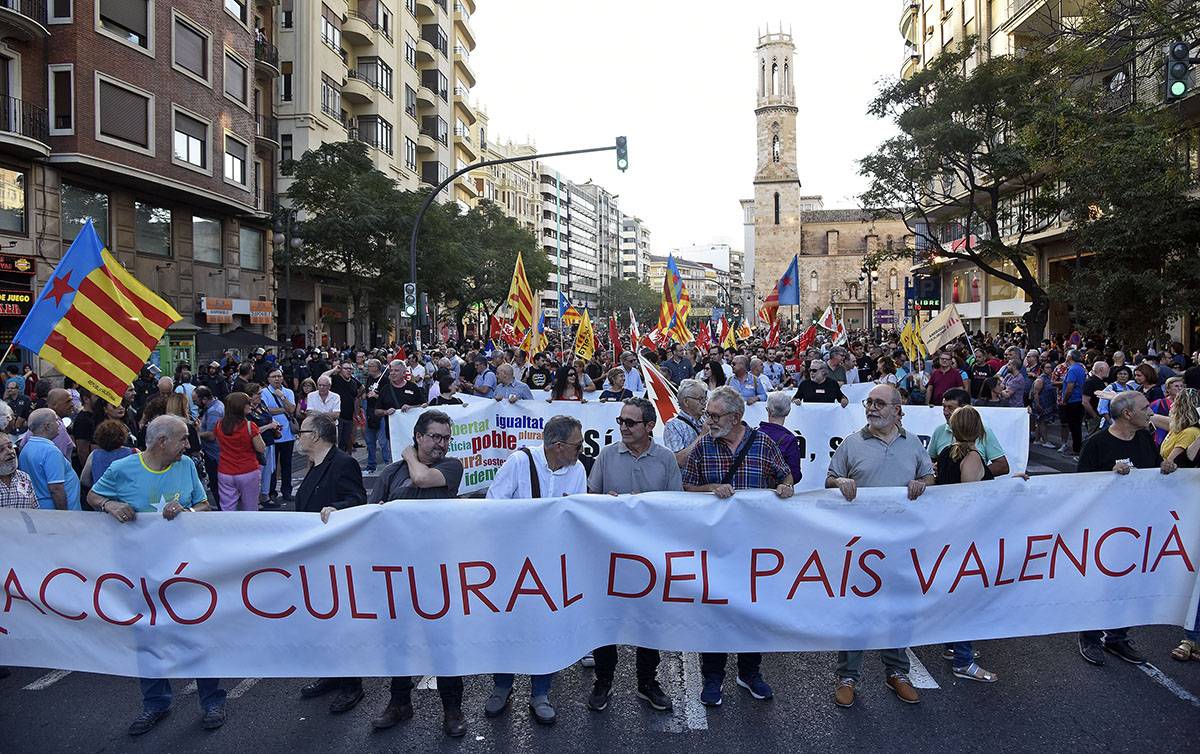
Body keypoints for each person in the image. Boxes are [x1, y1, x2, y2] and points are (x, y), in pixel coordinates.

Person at [86, 415, 223, 735]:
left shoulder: (186, 466)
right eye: (183, 439)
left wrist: (187, 511)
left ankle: (212, 701)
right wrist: (109, 506)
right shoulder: (122, 469)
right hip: (140, 572)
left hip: (184, 571)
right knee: (148, 639)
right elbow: (93, 495)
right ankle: (156, 703)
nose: (188, 445)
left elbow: (203, 504)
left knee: (195, 636)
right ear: (162, 441)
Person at [682, 386, 793, 707]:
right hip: (714, 546)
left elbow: (785, 476)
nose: (709, 420)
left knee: (751, 611)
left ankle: (749, 672)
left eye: (715, 416)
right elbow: (686, 487)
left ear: (736, 417)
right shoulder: (703, 446)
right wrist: (711, 489)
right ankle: (712, 677)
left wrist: (785, 488)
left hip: (754, 547)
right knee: (715, 612)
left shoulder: (763, 443)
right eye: (708, 414)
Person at [826, 384, 933, 708]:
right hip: (861, 547)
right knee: (857, 610)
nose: (872, 408)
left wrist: (922, 483)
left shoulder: (912, 443)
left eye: (879, 403)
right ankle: (848, 676)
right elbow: (830, 479)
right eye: (869, 402)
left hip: (901, 544)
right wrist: (839, 481)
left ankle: (897, 672)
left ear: (897, 410)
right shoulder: (851, 443)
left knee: (898, 609)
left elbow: (929, 477)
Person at [484, 415, 587, 726]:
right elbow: (493, 505)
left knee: (546, 629)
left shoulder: (577, 470)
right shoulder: (518, 462)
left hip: (552, 564)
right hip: (513, 563)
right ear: (558, 446)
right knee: (507, 625)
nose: (582, 450)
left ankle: (541, 693)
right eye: (578, 445)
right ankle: (502, 687)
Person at [583, 398, 682, 714]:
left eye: (630, 422)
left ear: (650, 426)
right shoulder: (607, 455)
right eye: (620, 421)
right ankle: (603, 681)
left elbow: (677, 506)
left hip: (650, 557)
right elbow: (590, 498)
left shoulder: (665, 460)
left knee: (649, 622)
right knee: (606, 621)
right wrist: (607, 503)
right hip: (610, 556)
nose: (623, 427)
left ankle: (647, 682)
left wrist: (648, 504)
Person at [1075, 390, 1175, 666]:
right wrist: (1108, 476)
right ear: (1128, 414)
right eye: (1146, 408)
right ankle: (1090, 636)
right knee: (1102, 584)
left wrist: (1165, 467)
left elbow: (1153, 467)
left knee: (1131, 583)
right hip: (1106, 530)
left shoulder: (1144, 438)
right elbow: (1078, 486)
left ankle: (1117, 637)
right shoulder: (1097, 444)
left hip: (1140, 527)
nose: (1151, 413)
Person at [291, 413, 370, 717]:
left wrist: (337, 508)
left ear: (316, 436)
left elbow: (357, 499)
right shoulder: (315, 464)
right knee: (322, 620)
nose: (299, 436)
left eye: (302, 431)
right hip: (315, 556)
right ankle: (332, 673)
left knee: (340, 621)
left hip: (337, 557)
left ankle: (352, 685)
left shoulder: (342, 463)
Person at [932, 405, 1001, 683]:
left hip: (949, 532)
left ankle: (953, 646)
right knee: (967, 597)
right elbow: (968, 501)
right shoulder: (971, 457)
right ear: (979, 430)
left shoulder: (947, 453)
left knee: (955, 593)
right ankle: (963, 659)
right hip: (966, 536)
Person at [927, 389, 1010, 477]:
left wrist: (978, 473)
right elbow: (928, 461)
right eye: (943, 407)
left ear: (965, 409)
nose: (945, 412)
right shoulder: (939, 431)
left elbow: (1002, 466)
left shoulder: (984, 432)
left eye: (951, 408)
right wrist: (934, 468)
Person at [19, 408, 81, 510]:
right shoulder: (51, 451)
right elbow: (56, 489)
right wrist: (64, 514)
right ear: (47, 426)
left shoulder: (26, 448)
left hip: (39, 508)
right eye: (56, 420)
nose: (59, 424)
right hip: (55, 511)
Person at [214, 392, 265, 512]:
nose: (250, 405)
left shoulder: (219, 425)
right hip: (248, 470)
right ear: (240, 407)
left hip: (225, 471)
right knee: (250, 507)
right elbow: (261, 448)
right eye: (247, 403)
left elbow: (219, 444)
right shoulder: (250, 426)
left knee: (227, 508)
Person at [261, 369, 297, 499]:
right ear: (268, 379)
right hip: (273, 434)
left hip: (288, 434)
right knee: (272, 465)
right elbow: (266, 410)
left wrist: (282, 397)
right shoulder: (264, 392)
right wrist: (283, 409)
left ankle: (287, 491)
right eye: (274, 376)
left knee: (287, 464)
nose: (277, 379)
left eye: (279, 376)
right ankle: (271, 491)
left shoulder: (288, 392)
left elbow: (292, 409)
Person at [758, 390, 803, 483]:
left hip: (751, 488)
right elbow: (795, 475)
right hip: (778, 489)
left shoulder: (754, 434)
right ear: (788, 412)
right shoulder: (790, 440)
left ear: (768, 410)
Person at [80, 419, 138, 489]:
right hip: (129, 493)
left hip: (101, 493)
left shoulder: (94, 455)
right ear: (122, 435)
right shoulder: (134, 452)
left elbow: (84, 480)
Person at [663, 378, 707, 468]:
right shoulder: (673, 425)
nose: (704, 403)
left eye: (705, 399)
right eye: (700, 399)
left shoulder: (706, 420)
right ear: (686, 402)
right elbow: (679, 461)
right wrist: (702, 436)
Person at [1159, 388, 1200, 472]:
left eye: (1174, 402)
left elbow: (1169, 464)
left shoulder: (1190, 432)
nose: (1171, 405)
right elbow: (1153, 418)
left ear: (1181, 408)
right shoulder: (1177, 428)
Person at [325, 362, 362, 453]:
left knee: (345, 442)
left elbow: (361, 389)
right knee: (336, 442)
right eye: (346, 368)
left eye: (350, 369)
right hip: (337, 417)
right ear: (340, 369)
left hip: (349, 417)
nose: (348, 370)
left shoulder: (353, 382)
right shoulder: (335, 379)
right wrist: (334, 369)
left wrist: (356, 412)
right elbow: (323, 377)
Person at [361, 359, 389, 472]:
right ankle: (371, 464)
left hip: (381, 412)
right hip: (370, 411)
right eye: (368, 366)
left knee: (383, 441)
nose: (369, 368)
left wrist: (376, 396)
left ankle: (388, 463)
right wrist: (365, 395)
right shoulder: (369, 379)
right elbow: (366, 391)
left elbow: (387, 397)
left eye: (371, 366)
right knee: (369, 440)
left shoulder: (385, 380)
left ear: (377, 367)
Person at [1060, 350, 1087, 456]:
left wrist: (1065, 400)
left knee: (1074, 426)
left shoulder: (1073, 369)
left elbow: (1070, 387)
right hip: (1078, 399)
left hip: (1073, 400)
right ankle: (1077, 447)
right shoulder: (1080, 368)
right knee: (1076, 425)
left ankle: (1076, 449)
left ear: (1070, 357)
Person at [0, 432, 36, 509]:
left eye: (10, 446)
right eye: (1, 450)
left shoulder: (24, 477)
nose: (10, 452)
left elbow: (35, 510)